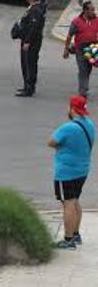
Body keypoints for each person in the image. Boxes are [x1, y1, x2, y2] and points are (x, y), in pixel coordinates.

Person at [48, 95, 94, 249]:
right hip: (83, 169)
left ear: (72, 109)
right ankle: (76, 234)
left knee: (68, 203)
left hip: (67, 171)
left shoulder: (68, 127)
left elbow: (51, 142)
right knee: (74, 201)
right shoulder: (90, 124)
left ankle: (68, 239)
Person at [15, 0, 47, 97]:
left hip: (32, 42)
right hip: (30, 40)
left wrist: (27, 41)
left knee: (29, 64)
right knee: (27, 63)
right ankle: (27, 86)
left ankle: (29, 88)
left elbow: (33, 27)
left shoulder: (36, 10)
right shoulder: (34, 8)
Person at [64, 1, 98, 98]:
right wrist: (66, 49)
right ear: (85, 11)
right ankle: (82, 91)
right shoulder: (76, 22)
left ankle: (84, 87)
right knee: (83, 69)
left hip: (92, 48)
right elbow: (69, 36)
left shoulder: (96, 20)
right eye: (91, 10)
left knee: (88, 69)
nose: (93, 12)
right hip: (80, 48)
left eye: (94, 9)